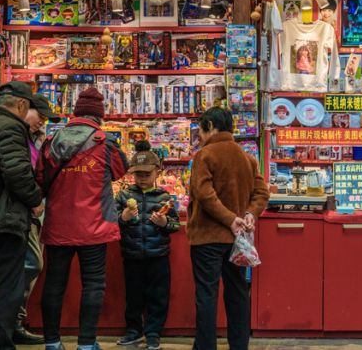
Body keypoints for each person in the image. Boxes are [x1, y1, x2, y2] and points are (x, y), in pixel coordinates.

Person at [36, 88, 129, 350]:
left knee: (54, 283)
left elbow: (40, 178)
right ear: (99, 116)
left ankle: (52, 342)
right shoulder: (105, 142)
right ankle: (87, 343)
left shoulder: (52, 141)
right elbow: (120, 170)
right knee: (93, 284)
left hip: (58, 225)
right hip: (94, 225)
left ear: (76, 113)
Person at [187, 107, 269, 350]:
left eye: (200, 130)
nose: (199, 136)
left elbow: (204, 194)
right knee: (237, 294)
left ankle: (205, 346)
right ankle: (239, 345)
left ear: (211, 126)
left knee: (206, 296)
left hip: (207, 239)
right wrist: (249, 214)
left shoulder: (205, 155)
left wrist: (229, 219)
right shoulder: (247, 157)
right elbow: (262, 192)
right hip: (238, 241)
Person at [0, 81, 44, 350]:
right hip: (3, 222)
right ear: (21, 105)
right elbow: (17, 173)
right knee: (5, 290)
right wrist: (35, 199)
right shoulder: (11, 127)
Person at [115, 141, 179, 350]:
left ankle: (153, 333)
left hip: (158, 255)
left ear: (157, 172)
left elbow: (175, 224)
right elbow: (111, 221)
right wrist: (122, 217)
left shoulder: (164, 197)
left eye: (146, 174)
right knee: (133, 297)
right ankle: (134, 331)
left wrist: (164, 223)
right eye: (138, 175)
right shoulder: (124, 196)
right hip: (132, 255)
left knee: (158, 297)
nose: (142, 179)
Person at [13, 94, 61, 345]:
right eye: (39, 116)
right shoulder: (14, 135)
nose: (41, 122)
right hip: (20, 211)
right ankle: (11, 321)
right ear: (23, 107)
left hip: (34, 212)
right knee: (32, 263)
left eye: (44, 120)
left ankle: (15, 321)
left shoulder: (38, 139)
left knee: (30, 264)